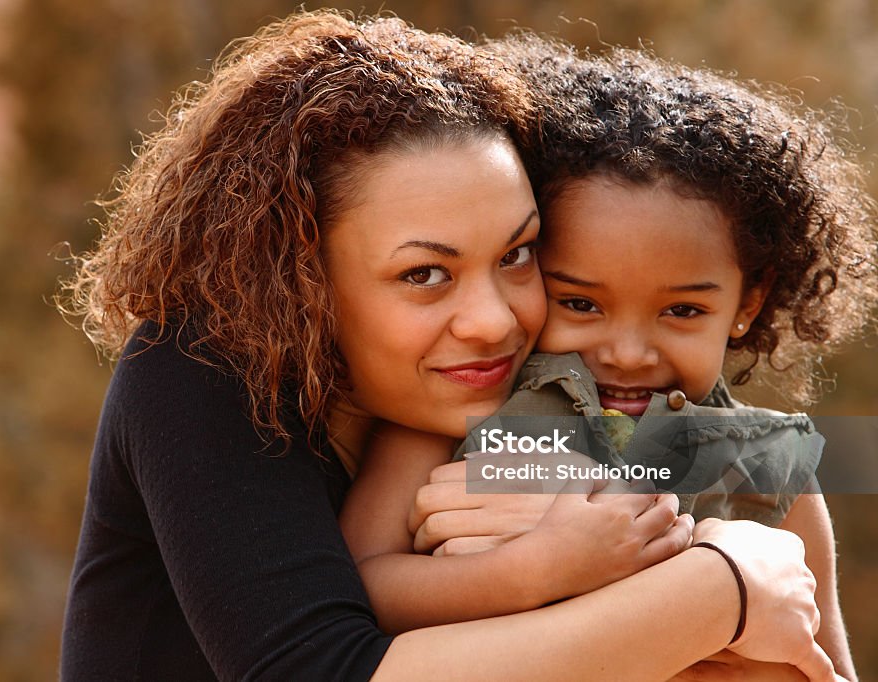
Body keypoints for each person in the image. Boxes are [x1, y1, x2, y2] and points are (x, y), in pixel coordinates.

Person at [59, 11, 837, 681]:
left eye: (517, 254)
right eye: (425, 273)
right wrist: (726, 587)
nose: (494, 320)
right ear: (299, 280)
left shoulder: (509, 399)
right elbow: (317, 668)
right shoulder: (198, 371)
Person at [340, 37, 877, 680]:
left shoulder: (771, 472)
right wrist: (536, 568)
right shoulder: (454, 421)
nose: (626, 354)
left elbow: (827, 664)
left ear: (748, 302)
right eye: (581, 304)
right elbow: (360, 589)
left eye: (681, 311)